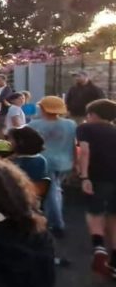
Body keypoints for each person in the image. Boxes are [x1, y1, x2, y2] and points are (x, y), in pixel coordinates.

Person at [75, 99, 116, 276]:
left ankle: (99, 249)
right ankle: (114, 259)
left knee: (95, 212)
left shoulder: (85, 128)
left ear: (92, 114)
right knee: (113, 215)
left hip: (98, 176)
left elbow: (84, 151)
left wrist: (84, 176)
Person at [28, 96, 77, 235]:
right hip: (65, 162)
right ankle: (54, 220)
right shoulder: (71, 124)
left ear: (43, 108)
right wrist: (76, 162)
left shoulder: (33, 125)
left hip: (43, 162)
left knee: (51, 192)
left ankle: (56, 223)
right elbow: (73, 145)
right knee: (56, 189)